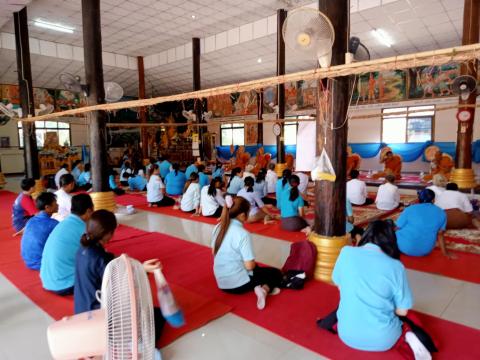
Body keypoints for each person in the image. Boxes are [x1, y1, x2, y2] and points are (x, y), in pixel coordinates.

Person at [318, 220, 433, 359]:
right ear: (392, 241)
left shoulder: (346, 252)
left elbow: (340, 286)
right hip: (384, 340)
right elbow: (402, 311)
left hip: (346, 334)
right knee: (411, 318)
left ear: (366, 235)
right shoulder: (396, 266)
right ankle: (408, 335)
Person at [73, 210, 166, 358]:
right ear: (109, 233)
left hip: (82, 312)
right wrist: (143, 270)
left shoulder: (82, 249)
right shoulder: (102, 260)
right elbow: (125, 285)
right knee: (157, 315)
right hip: (100, 317)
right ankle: (138, 345)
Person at [211, 197, 282, 310]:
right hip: (238, 284)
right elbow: (249, 266)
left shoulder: (218, 227)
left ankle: (258, 285)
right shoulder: (242, 233)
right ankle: (263, 289)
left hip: (221, 282)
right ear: (243, 215)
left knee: (257, 269)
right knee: (275, 273)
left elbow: (214, 253)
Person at [40, 194, 94, 295]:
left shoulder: (63, 223)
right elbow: (94, 258)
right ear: (88, 211)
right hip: (65, 284)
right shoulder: (83, 230)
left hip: (47, 280)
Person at [396, 189, 451, 258]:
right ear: (433, 200)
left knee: (395, 229)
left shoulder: (410, 209)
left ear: (419, 198)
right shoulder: (441, 212)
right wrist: (445, 253)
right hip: (426, 250)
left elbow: (397, 227)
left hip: (405, 248)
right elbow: (440, 234)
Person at [20, 192, 59, 270]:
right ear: (47, 207)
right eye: (55, 203)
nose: (58, 205)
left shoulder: (31, 220)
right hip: (41, 263)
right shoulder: (53, 224)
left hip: (28, 261)